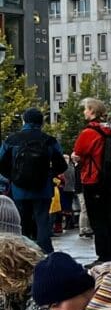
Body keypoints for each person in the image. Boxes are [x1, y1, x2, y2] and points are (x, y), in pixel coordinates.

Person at [0, 108, 65, 253]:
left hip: (19, 190)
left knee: (21, 222)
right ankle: (45, 253)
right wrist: (49, 174)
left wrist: (13, 177)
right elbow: (62, 164)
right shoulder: (49, 140)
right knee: (42, 222)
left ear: (24, 120)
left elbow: (1, 162)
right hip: (43, 189)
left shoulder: (12, 140)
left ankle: (22, 253)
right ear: (41, 122)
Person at [71, 98, 111, 264]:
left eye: (86, 109)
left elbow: (77, 153)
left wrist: (74, 157)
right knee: (108, 219)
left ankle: (103, 256)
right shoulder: (109, 130)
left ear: (92, 111)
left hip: (93, 180)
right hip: (109, 181)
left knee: (97, 221)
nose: (84, 112)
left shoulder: (89, 133)